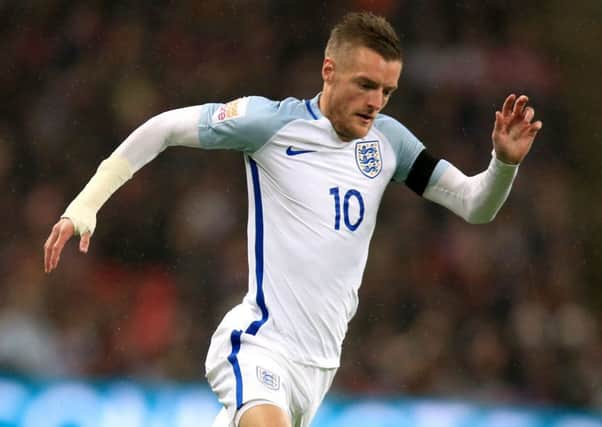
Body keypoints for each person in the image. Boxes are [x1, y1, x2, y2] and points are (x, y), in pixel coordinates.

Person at [43, 11, 542, 427]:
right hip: (260, 343)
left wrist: (503, 164)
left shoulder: (390, 143)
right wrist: (86, 203)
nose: (376, 102)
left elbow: (476, 206)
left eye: (387, 91)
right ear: (328, 70)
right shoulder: (271, 124)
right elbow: (165, 127)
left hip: (319, 368)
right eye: (365, 85)